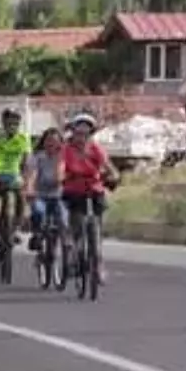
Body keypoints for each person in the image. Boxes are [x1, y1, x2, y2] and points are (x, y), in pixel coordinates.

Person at [62, 113, 119, 283]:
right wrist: (62, 177)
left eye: (86, 133)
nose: (82, 136)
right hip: (73, 190)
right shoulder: (66, 149)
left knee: (97, 229)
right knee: (76, 226)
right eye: (78, 132)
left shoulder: (95, 148)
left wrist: (113, 176)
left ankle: (98, 265)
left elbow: (108, 167)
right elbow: (60, 167)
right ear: (73, 132)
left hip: (94, 189)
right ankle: (73, 257)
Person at [0, 108, 31, 264]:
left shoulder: (23, 138)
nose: (13, 127)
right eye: (9, 123)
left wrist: (24, 178)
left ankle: (16, 229)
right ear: (4, 123)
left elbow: (26, 161)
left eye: (16, 124)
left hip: (13, 175)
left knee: (21, 199)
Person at [23, 127, 68, 252]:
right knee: (38, 211)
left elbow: (62, 173)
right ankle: (36, 234)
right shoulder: (37, 157)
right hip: (40, 195)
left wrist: (61, 179)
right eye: (48, 140)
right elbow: (32, 175)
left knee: (63, 217)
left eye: (55, 141)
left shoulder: (63, 157)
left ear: (60, 143)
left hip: (58, 195)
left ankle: (66, 243)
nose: (51, 144)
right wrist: (30, 189)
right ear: (43, 142)